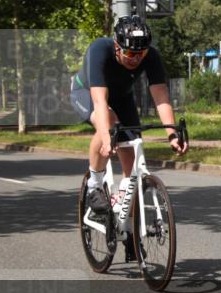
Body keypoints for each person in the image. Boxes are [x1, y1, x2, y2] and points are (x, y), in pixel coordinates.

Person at [70, 15, 188, 259]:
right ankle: (94, 184)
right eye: (130, 54)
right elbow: (100, 101)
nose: (136, 59)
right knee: (110, 124)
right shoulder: (99, 50)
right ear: (117, 46)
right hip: (87, 94)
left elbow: (161, 96)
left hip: (122, 99)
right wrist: (105, 137)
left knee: (132, 170)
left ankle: (129, 232)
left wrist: (172, 133)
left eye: (141, 54)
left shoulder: (150, 55)